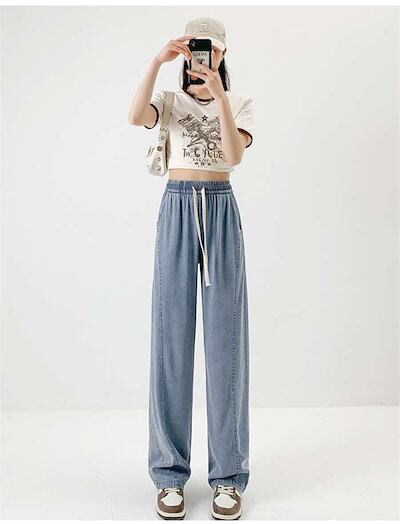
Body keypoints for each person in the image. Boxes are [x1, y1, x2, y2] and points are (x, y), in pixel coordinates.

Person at [128, 16, 254, 520]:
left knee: (226, 345)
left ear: (223, 54)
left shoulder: (238, 101)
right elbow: (135, 115)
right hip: (178, 207)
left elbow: (233, 156)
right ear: (185, 51)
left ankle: (228, 477)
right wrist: (157, 62)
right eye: (197, 48)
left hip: (220, 209)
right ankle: (169, 475)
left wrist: (218, 94)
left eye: (213, 49)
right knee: (171, 342)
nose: (205, 55)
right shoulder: (170, 100)